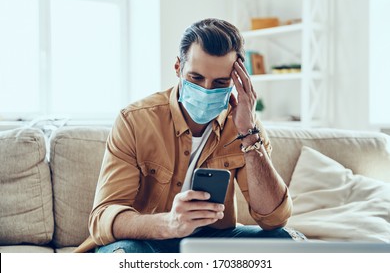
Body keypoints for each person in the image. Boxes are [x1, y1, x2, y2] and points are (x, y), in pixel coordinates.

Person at [75, 18, 303, 253]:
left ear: (237, 81)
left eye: (220, 82)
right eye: (196, 78)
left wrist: (248, 134)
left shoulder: (246, 126)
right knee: (127, 256)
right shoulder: (134, 120)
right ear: (178, 68)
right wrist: (170, 224)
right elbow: (102, 217)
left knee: (289, 240)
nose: (206, 89)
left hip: (210, 240)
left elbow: (274, 219)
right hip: (145, 240)